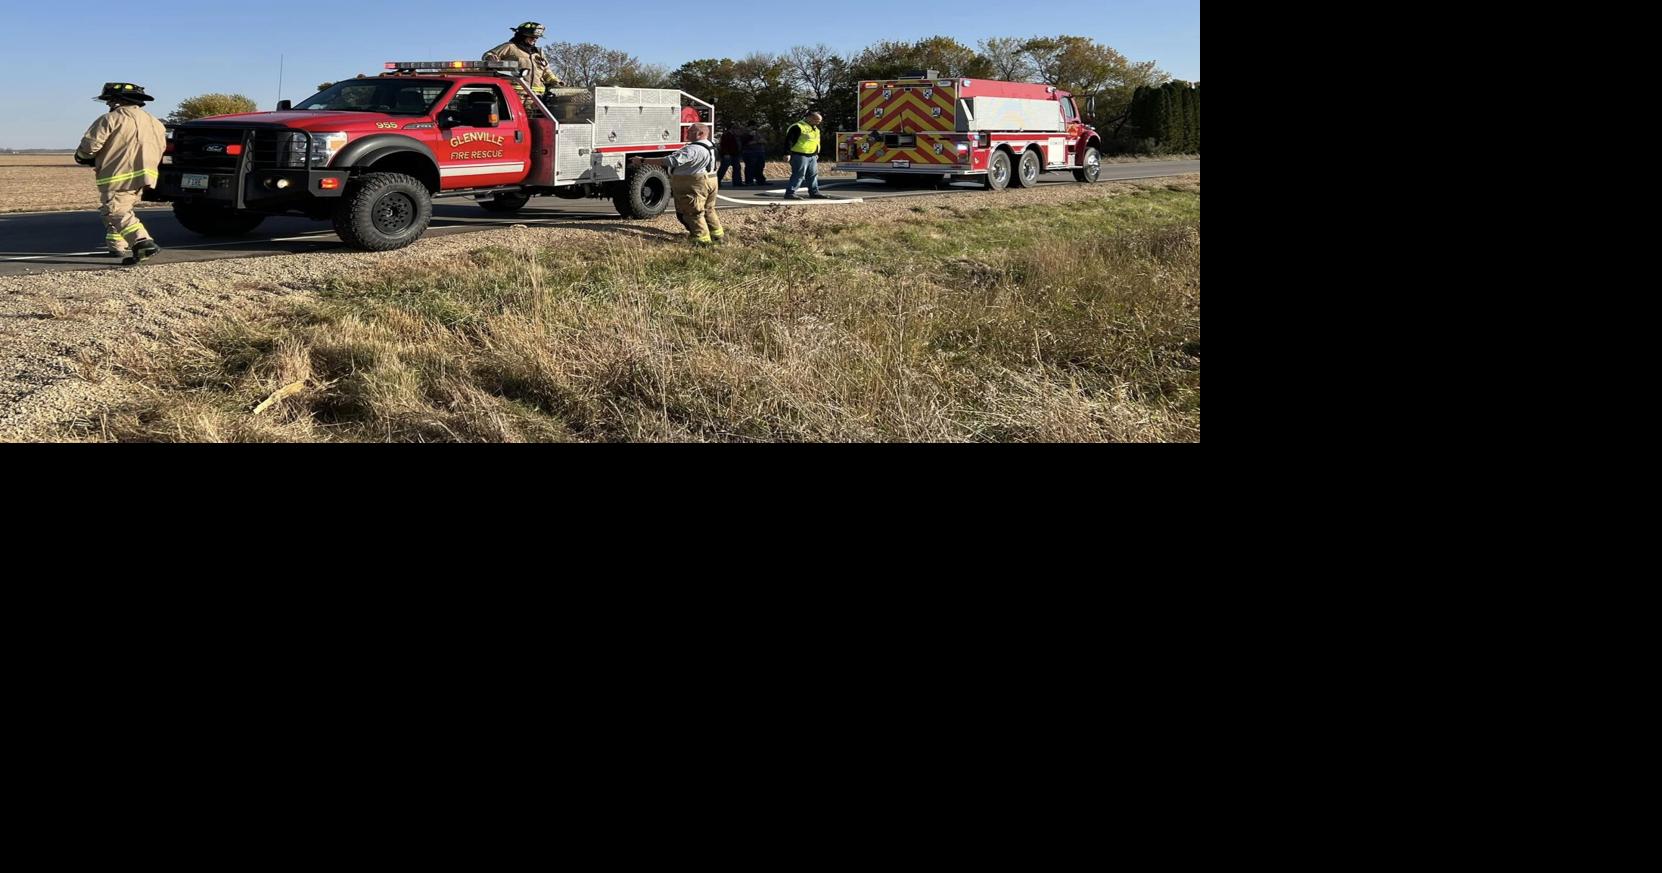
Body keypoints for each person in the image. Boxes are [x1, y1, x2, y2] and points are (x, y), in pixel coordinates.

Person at [75, 83, 167, 266]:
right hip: (145, 175)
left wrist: (82, 157)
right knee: (118, 209)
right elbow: (162, 147)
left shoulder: (110, 119)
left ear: (118, 101)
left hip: (117, 175)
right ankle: (117, 245)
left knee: (115, 211)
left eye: (110, 100)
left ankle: (142, 242)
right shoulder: (155, 122)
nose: (109, 104)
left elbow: (90, 146)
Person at [665, 124, 724, 247]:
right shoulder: (709, 145)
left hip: (696, 183)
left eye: (691, 131)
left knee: (693, 212)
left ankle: (701, 241)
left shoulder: (693, 149)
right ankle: (717, 236)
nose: (687, 133)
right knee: (708, 209)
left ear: (700, 134)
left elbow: (672, 161)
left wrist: (644, 161)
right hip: (711, 180)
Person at [483, 22, 564, 97]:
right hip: (515, 96)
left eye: (536, 37)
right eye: (532, 37)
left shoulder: (538, 52)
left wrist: (556, 82)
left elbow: (546, 71)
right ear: (522, 36)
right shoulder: (510, 47)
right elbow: (488, 54)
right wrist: (490, 58)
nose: (535, 39)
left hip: (538, 99)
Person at [783, 112, 831, 201]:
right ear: (809, 118)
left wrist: (816, 153)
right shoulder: (797, 127)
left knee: (813, 175)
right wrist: (787, 153)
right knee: (799, 174)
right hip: (799, 154)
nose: (818, 122)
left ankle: (814, 192)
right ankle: (790, 193)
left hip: (812, 155)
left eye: (819, 121)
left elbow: (815, 142)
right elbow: (789, 141)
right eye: (816, 120)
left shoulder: (815, 128)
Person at [742, 122, 769, 188]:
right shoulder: (745, 133)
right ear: (749, 126)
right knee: (750, 167)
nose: (755, 128)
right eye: (753, 126)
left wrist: (762, 141)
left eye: (756, 126)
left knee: (760, 167)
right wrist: (755, 141)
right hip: (750, 152)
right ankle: (749, 181)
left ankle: (760, 180)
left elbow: (765, 141)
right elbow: (745, 142)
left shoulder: (759, 133)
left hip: (760, 152)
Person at [717, 123, 746, 187]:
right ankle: (717, 181)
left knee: (737, 167)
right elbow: (724, 145)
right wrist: (726, 154)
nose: (740, 132)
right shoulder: (727, 135)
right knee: (723, 168)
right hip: (728, 154)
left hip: (734, 154)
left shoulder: (735, 136)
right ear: (734, 129)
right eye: (739, 130)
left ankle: (737, 182)